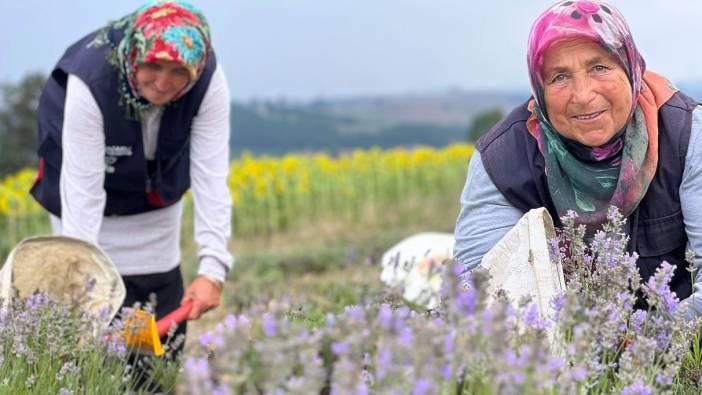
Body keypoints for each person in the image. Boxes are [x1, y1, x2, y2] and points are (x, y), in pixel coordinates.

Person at [453, 0, 702, 318]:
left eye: (599, 67)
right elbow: (478, 295)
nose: (582, 95)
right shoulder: (502, 159)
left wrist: (639, 344)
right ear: (538, 89)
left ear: (630, 68)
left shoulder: (685, 133)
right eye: (559, 77)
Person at [30, 0, 232, 353]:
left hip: (153, 206)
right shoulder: (90, 80)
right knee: (90, 332)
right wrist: (80, 274)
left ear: (195, 69)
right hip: (86, 202)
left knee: (153, 334)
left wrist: (213, 268)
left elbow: (211, 176)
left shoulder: (207, 80)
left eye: (178, 71)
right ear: (134, 57)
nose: (163, 83)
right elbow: (83, 189)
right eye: (153, 66)